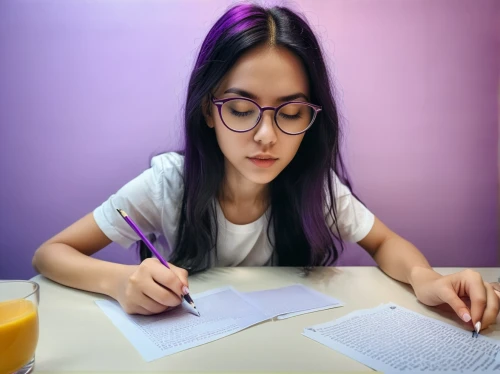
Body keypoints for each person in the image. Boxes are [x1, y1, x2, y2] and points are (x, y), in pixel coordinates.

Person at [32, 3, 498, 332]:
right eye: (240, 108)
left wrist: (427, 279)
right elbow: (50, 253)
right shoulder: (168, 183)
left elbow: (384, 241)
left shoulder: (315, 187)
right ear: (208, 110)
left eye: (291, 112)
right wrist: (118, 282)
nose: (266, 136)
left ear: (312, 118)